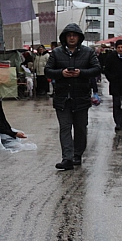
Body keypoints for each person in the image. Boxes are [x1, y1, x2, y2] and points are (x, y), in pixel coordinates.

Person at [45, 23, 101, 170]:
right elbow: (48, 70)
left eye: (74, 35)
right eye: (69, 35)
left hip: (81, 97)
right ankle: (67, 158)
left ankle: (77, 154)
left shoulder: (88, 52)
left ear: (79, 37)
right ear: (64, 37)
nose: (71, 38)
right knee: (65, 127)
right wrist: (61, 73)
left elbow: (97, 69)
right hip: (62, 97)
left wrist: (81, 73)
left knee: (80, 128)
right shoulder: (56, 53)